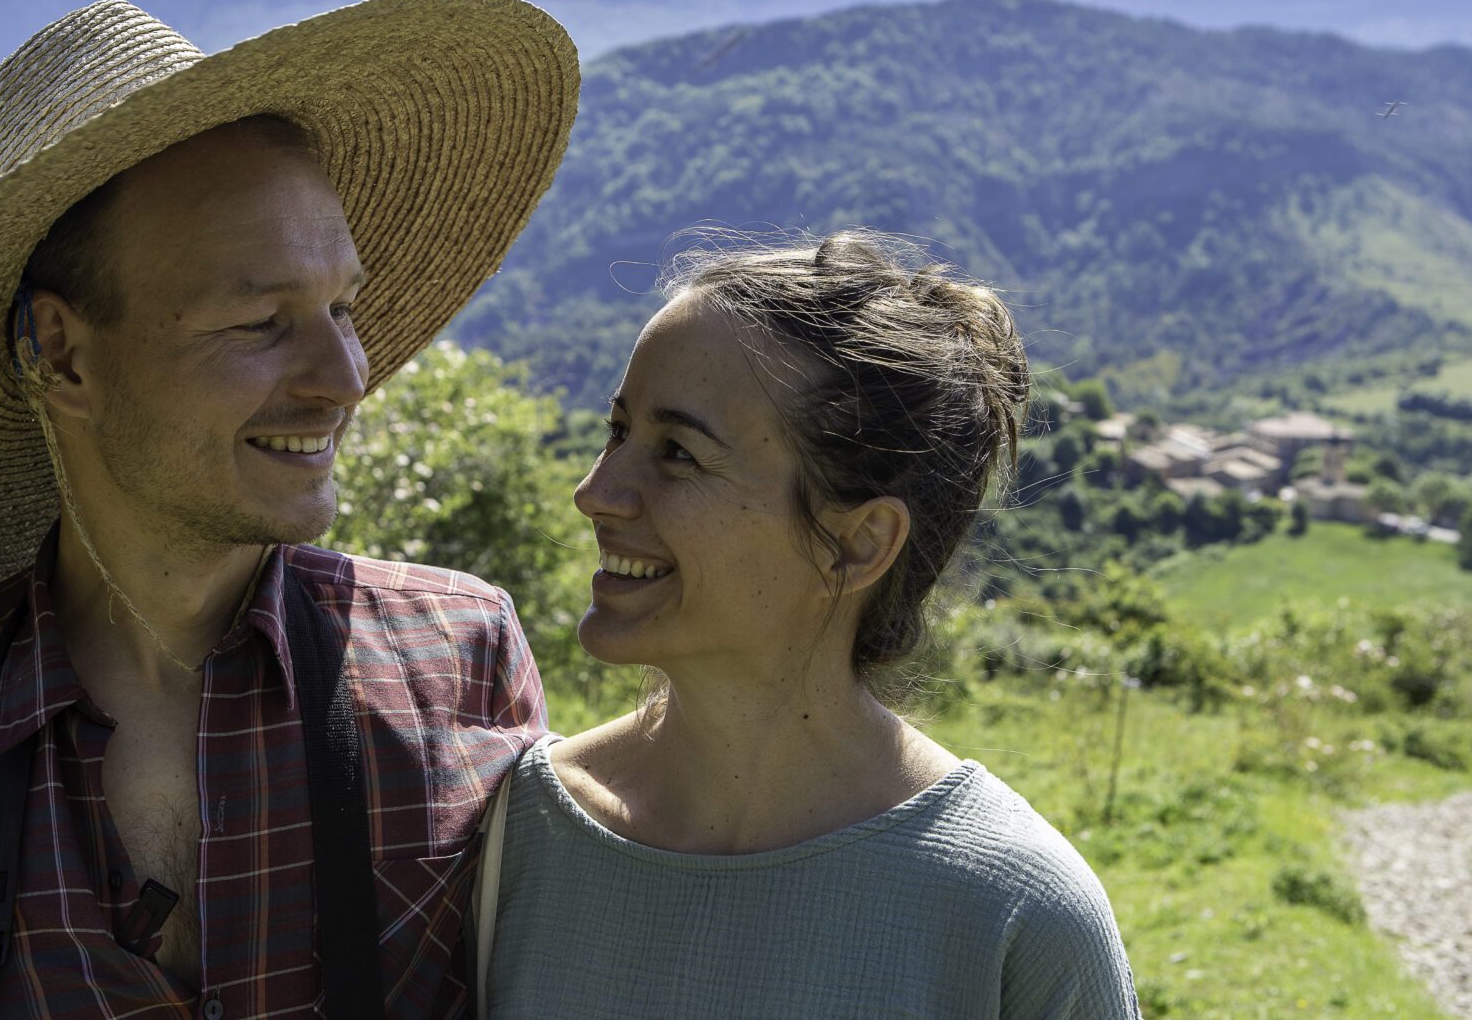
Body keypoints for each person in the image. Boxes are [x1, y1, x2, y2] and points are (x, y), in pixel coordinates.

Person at [0, 0, 577, 1018]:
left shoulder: (460, 658)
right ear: (64, 354)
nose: (347, 378)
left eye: (342, 307)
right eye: (259, 322)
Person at [478, 231, 1141, 1018]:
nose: (596, 492)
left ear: (857, 544)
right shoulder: (508, 838)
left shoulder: (1014, 913)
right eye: (619, 431)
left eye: (679, 453)